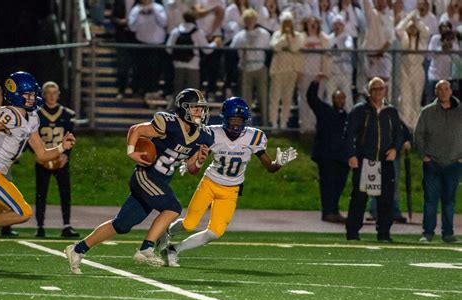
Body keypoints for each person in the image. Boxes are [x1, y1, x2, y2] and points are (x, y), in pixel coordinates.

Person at [65, 88, 214, 274]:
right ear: (183, 108)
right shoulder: (169, 123)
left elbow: (192, 169)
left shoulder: (203, 135)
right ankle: (146, 248)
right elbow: (136, 130)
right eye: (195, 108)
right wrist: (131, 152)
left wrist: (200, 159)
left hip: (159, 181)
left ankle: (78, 249)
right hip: (145, 176)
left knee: (121, 225)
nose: (200, 112)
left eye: (201, 108)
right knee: (173, 208)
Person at [159, 97, 297, 267]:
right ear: (225, 118)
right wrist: (189, 163)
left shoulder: (254, 137)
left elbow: (270, 167)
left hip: (231, 190)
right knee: (189, 223)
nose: (236, 124)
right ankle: (166, 231)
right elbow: (197, 155)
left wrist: (279, 164)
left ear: (245, 120)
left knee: (215, 232)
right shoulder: (212, 133)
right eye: (232, 119)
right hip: (209, 183)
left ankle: (173, 250)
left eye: (239, 120)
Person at [0, 72, 76, 233]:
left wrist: (62, 147)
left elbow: (42, 154)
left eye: (33, 93)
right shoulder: (11, 113)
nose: (32, 97)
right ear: (15, 94)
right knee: (22, 212)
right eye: (27, 94)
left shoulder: (32, 117)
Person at [345, 77, 403, 242]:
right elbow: (349, 134)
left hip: (385, 161)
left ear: (385, 90)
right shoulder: (360, 110)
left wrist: (394, 149)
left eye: (381, 88)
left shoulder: (391, 111)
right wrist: (352, 155)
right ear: (369, 92)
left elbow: (399, 134)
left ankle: (384, 233)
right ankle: (352, 232)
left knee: (385, 199)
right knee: (359, 198)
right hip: (365, 160)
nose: (378, 92)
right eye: (374, 89)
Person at [414, 80, 461, 243]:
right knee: (430, 200)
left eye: (446, 89)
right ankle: (427, 233)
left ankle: (448, 233)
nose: (443, 92)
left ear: (451, 91)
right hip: (432, 163)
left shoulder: (460, 111)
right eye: (439, 89)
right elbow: (418, 134)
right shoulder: (427, 112)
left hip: (454, 163)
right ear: (435, 92)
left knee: (449, 201)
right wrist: (424, 155)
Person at [35, 81, 78, 238]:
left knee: (65, 192)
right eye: (49, 93)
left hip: (61, 159)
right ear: (44, 95)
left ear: (58, 94)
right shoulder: (36, 114)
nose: (52, 96)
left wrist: (66, 155)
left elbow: (71, 137)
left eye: (54, 93)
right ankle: (40, 226)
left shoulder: (67, 114)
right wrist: (37, 154)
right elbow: (30, 139)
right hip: (43, 159)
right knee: (41, 193)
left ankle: (67, 225)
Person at [307, 78, 348, 223]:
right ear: (332, 99)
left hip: (342, 158)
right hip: (327, 156)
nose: (340, 100)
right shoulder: (325, 111)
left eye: (342, 98)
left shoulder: (347, 117)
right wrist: (315, 83)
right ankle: (328, 211)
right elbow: (312, 98)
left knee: (339, 185)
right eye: (337, 97)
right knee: (328, 184)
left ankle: (334, 210)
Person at [231, 9, 271, 126]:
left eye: (251, 19)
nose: (249, 21)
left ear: (256, 19)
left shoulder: (264, 33)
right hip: (245, 68)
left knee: (263, 97)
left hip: (260, 67)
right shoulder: (239, 36)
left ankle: (265, 123)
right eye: (247, 19)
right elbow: (233, 48)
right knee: (245, 98)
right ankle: (247, 124)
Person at [0, 84, 18, 237]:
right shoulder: (4, 115)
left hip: (2, 162)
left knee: (5, 199)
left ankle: (6, 227)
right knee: (22, 211)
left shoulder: (8, 112)